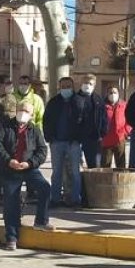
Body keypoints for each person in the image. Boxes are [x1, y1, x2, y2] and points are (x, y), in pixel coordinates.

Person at [0, 100, 53, 251]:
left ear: (32, 115)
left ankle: (41, 221)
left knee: (44, 188)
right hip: (9, 169)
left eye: (26, 111)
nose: (22, 113)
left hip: (28, 168)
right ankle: (12, 237)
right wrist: (9, 161)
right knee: (11, 202)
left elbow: (42, 151)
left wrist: (31, 163)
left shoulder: (35, 130)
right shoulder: (5, 126)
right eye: (20, 110)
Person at [42, 77, 87, 207]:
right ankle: (55, 199)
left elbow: (84, 122)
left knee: (75, 172)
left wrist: (78, 139)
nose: (65, 88)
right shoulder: (53, 102)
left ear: (72, 87)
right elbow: (46, 120)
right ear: (59, 87)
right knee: (56, 172)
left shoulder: (79, 101)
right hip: (57, 143)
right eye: (63, 86)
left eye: (68, 86)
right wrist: (49, 138)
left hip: (73, 143)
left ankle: (75, 199)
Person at [77, 75, 107, 168]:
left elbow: (104, 117)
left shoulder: (98, 99)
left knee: (94, 166)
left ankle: (93, 182)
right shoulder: (75, 98)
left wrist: (102, 133)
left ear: (94, 85)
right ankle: (80, 183)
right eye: (85, 83)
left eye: (90, 83)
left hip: (94, 138)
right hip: (77, 138)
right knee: (77, 166)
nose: (87, 85)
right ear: (81, 84)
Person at [101, 85, 131, 168]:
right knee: (105, 165)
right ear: (107, 94)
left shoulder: (124, 105)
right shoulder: (102, 106)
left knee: (121, 165)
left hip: (120, 139)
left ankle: (120, 181)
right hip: (106, 140)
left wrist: (125, 132)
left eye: (115, 92)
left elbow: (130, 119)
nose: (113, 94)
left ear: (118, 94)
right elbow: (98, 120)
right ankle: (105, 181)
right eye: (110, 92)